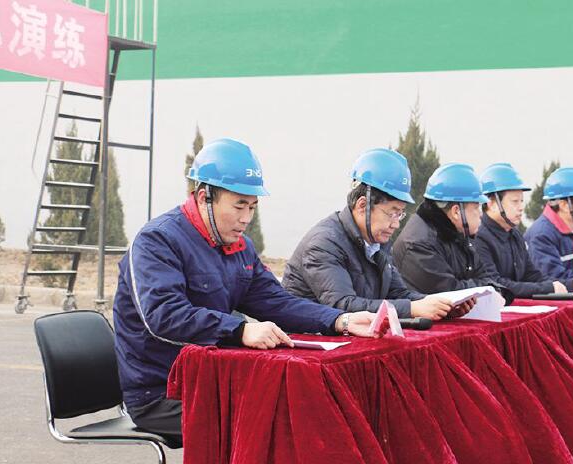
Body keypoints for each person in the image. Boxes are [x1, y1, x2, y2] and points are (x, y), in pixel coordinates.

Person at [112, 138, 380, 446]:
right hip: (163, 393)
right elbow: (164, 316)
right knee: (278, 423)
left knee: (309, 404)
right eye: (239, 205)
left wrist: (340, 320)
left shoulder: (239, 247)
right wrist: (240, 331)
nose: (246, 219)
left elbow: (277, 303)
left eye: (252, 207)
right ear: (204, 197)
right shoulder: (157, 242)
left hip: (217, 378)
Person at [283, 148, 468, 320]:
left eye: (400, 214)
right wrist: (412, 309)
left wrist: (440, 305)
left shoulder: (377, 241)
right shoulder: (324, 244)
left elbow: (399, 294)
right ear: (363, 205)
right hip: (307, 338)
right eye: (392, 213)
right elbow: (342, 305)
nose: (396, 224)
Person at [392, 163, 512, 302]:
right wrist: (488, 288)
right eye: (476, 207)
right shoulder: (419, 244)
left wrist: (490, 288)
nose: (481, 214)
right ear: (456, 211)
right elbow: (450, 294)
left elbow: (483, 276)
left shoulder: (455, 234)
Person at [474, 163, 573, 298]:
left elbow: (531, 275)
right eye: (515, 201)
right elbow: (495, 284)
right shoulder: (479, 237)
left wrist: (569, 284)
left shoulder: (514, 235)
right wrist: (547, 288)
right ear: (491, 204)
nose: (521, 207)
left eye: (521, 201)